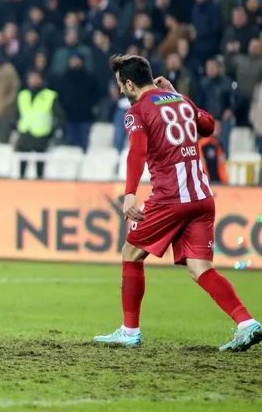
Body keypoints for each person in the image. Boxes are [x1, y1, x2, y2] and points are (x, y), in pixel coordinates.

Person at [94, 54, 261, 352]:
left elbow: (137, 152)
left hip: (171, 198)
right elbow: (208, 126)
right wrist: (178, 96)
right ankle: (246, 323)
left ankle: (130, 331)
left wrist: (130, 193)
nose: (120, 90)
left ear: (130, 84)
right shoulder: (179, 100)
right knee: (201, 268)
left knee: (131, 253)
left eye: (121, 84)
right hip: (202, 198)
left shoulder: (137, 111)